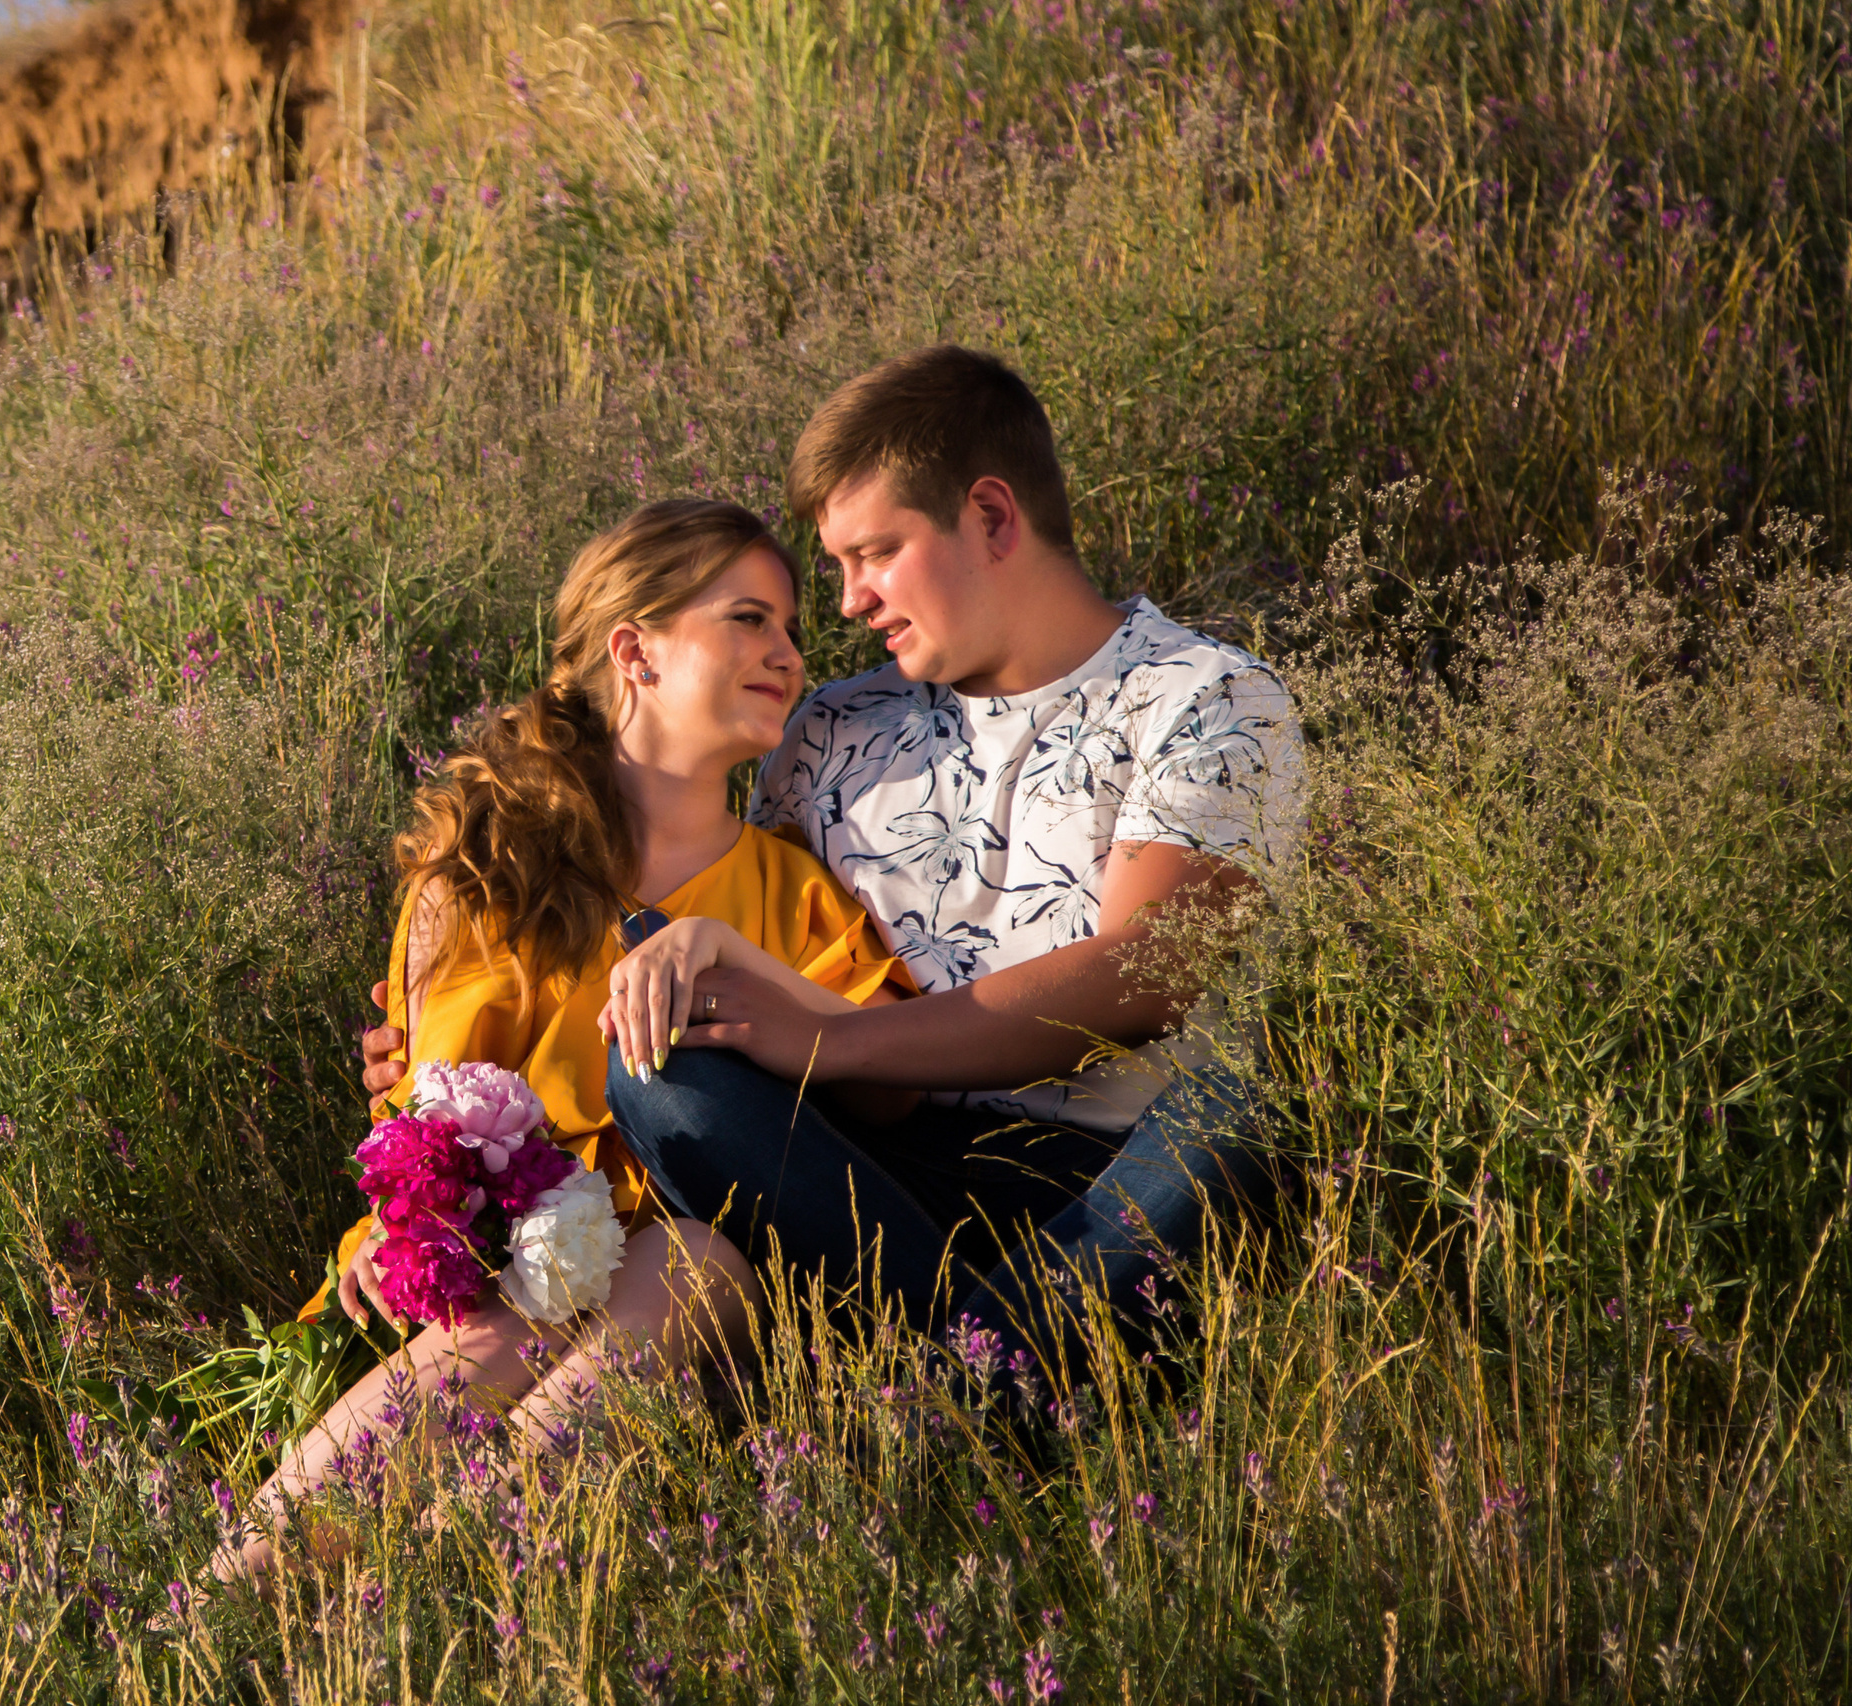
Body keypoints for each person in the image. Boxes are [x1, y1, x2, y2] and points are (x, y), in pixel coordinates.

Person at [366, 345, 1306, 1368]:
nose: (850, 602)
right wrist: (441, 1042)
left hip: (1103, 1178)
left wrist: (835, 1041)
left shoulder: (1198, 694)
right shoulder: (830, 730)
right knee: (662, 1069)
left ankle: (954, 1391)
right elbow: (731, 918)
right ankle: (1008, 1380)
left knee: (1239, 1114)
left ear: (991, 517)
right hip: (859, 1180)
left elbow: (1146, 968)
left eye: (875, 553)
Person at [238, 498, 909, 1573]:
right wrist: (397, 1219)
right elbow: (430, 1113)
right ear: (633, 649)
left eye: (790, 628)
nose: (788, 654)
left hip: (721, 1293)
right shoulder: (487, 869)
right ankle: (228, 1604)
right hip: (498, 1285)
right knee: (521, 1304)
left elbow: (892, 1075)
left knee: (683, 1257)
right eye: (747, 619)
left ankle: (447, 1586)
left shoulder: (789, 890)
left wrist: (731, 960)